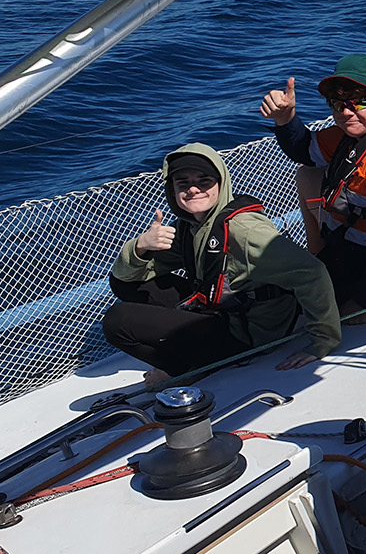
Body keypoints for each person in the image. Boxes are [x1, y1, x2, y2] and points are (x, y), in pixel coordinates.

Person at [103, 144, 342, 388]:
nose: (193, 189)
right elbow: (128, 277)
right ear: (171, 189)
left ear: (221, 183)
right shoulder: (191, 225)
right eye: (182, 183)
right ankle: (192, 358)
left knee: (117, 320)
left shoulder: (246, 231)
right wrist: (140, 247)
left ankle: (183, 370)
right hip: (216, 310)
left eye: (204, 181)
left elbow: (312, 273)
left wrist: (323, 341)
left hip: (248, 331)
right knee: (124, 283)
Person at [261, 56, 366, 320]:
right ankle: (317, 256)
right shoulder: (353, 136)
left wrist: (362, 304)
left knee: (279, 300)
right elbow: (304, 150)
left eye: (359, 102)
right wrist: (286, 119)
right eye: (338, 104)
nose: (345, 112)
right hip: (349, 253)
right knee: (308, 174)